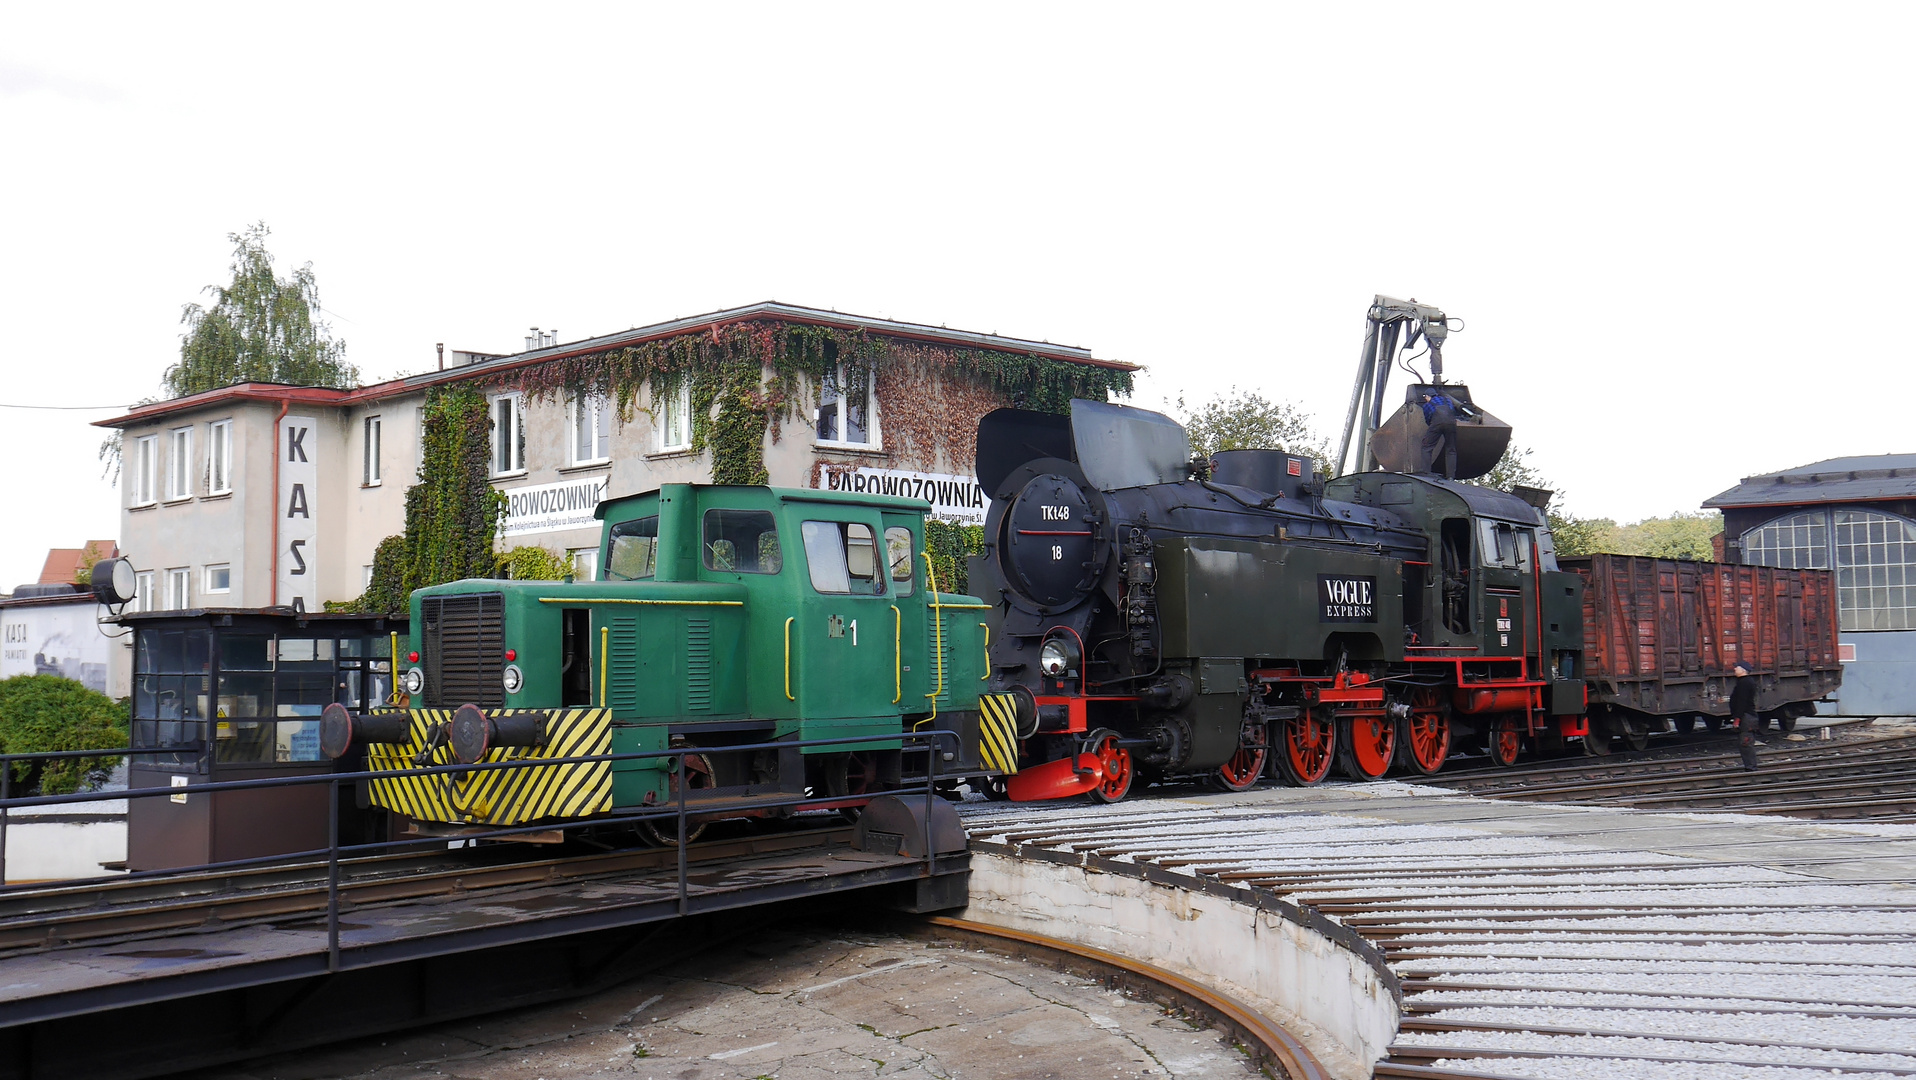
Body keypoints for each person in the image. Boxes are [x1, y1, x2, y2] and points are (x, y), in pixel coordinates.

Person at [1419, 391, 1459, 479]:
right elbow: (1453, 411)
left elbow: (1428, 420)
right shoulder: (1447, 400)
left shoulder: (1427, 405)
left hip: (1437, 424)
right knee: (1451, 449)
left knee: (1426, 447)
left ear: (1428, 396)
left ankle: (1426, 473)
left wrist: (1435, 429)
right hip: (1451, 423)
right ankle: (1451, 476)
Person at [1729, 662, 1760, 771]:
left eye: (1737, 667)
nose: (1734, 669)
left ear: (1743, 670)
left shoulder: (1745, 683)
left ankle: (1751, 767)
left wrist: (1737, 718)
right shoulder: (1744, 682)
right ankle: (1750, 766)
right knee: (1745, 742)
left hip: (1747, 717)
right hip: (1747, 716)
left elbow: (1742, 702)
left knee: (1746, 742)